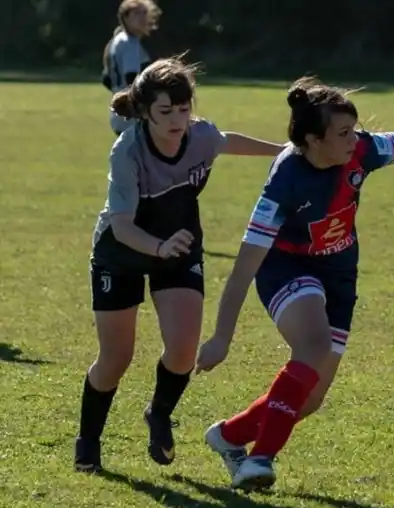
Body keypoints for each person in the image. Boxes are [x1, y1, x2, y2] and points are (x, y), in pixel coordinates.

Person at [193, 76, 394, 491]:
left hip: (339, 272)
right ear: (313, 140)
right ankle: (260, 459)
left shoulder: (362, 150)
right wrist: (221, 336)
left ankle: (228, 436)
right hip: (286, 269)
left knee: (309, 400)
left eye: (355, 130)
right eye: (344, 133)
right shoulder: (284, 183)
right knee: (312, 347)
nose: (355, 140)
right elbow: (244, 267)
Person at [75, 56, 286, 474]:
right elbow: (121, 226)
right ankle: (88, 441)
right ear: (145, 112)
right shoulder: (128, 153)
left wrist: (284, 152)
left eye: (184, 109)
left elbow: (225, 140)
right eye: (165, 111)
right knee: (116, 359)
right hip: (122, 252)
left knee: (183, 349)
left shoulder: (200, 136)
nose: (177, 120)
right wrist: (159, 245)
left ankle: (159, 413)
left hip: (179, 247)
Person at [101, 0, 161, 136]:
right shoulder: (129, 43)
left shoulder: (118, 40)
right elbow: (132, 79)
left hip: (120, 111)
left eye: (144, 13)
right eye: (136, 13)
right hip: (132, 114)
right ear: (125, 18)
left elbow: (106, 79)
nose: (142, 17)